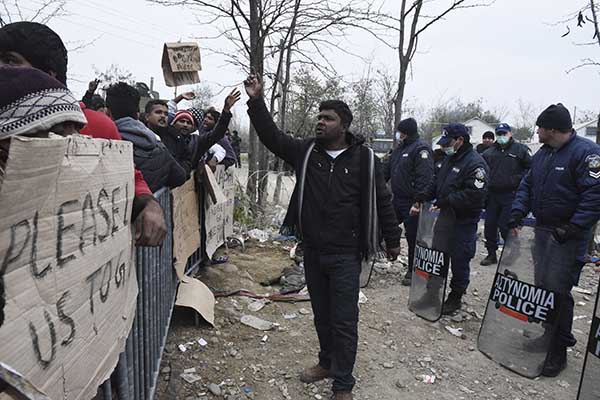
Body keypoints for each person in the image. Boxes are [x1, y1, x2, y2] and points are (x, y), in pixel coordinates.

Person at [244, 74, 401, 400]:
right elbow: (272, 137)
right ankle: (327, 363)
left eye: (327, 118)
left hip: (346, 253)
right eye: (318, 117)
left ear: (343, 125)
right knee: (322, 315)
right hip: (313, 251)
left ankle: (343, 384)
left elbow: (383, 200)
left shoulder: (364, 159)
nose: (320, 122)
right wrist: (256, 101)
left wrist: (393, 239)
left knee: (344, 320)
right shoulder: (306, 152)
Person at [0, 21, 166, 246]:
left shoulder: (97, 126)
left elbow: (124, 177)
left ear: (48, 75)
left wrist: (149, 204)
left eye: (9, 61)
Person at [509, 103, 600, 377]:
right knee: (543, 287)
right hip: (544, 231)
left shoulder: (587, 154)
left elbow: (595, 195)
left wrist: (573, 227)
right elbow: (528, 184)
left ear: (551, 129)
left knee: (559, 292)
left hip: (568, 236)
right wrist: (516, 212)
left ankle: (558, 350)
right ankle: (548, 336)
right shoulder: (543, 154)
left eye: (540, 128)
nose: (536, 132)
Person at [427, 123, 488, 314]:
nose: (445, 146)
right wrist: (423, 196)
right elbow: (438, 183)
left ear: (460, 140)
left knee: (460, 259)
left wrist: (447, 201)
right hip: (445, 218)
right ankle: (432, 293)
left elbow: (475, 194)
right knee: (438, 255)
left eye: (448, 142)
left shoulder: (475, 164)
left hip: (463, 220)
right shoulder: (449, 159)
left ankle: (455, 297)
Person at [105, 82, 187, 192]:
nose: (163, 116)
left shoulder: (103, 148)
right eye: (158, 112)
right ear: (139, 114)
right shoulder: (160, 147)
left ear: (107, 112)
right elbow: (179, 177)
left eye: (165, 114)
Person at [383, 118, 434, 286]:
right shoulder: (399, 149)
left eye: (399, 131)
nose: (397, 134)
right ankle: (386, 252)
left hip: (412, 201)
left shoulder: (420, 149)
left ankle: (413, 270)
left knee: (413, 236)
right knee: (385, 225)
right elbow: (386, 171)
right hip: (396, 199)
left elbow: (424, 177)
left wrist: (418, 201)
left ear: (406, 132)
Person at [480, 123, 531, 266]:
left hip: (511, 194)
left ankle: (513, 251)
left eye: (504, 133)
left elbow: (530, 169)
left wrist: (516, 179)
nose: (502, 137)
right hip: (493, 194)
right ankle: (491, 254)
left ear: (510, 133)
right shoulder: (489, 152)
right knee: (490, 225)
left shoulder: (520, 150)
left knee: (506, 225)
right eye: (499, 134)